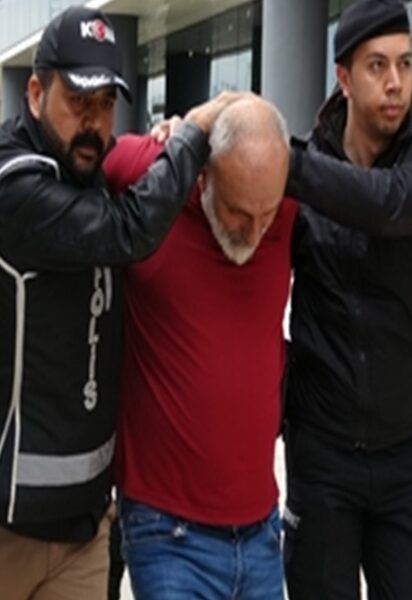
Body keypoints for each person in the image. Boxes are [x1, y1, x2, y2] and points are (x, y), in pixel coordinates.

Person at [0, 6, 237, 598]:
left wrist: (161, 142)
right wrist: (195, 135)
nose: (94, 122)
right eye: (77, 100)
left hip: (83, 528)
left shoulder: (83, 167)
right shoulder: (9, 183)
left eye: (105, 104)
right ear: (35, 93)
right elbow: (129, 228)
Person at [281, 0, 412, 598]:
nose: (395, 83)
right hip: (322, 460)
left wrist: (284, 162)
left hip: (403, 462)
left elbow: (386, 203)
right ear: (343, 77)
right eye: (377, 65)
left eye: (406, 64)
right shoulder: (307, 168)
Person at [102, 96, 295, 599]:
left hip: (261, 532)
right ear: (203, 177)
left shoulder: (284, 206)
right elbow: (101, 156)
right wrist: (193, 124)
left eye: (267, 214)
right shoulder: (153, 182)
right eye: (238, 213)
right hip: (167, 532)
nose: (255, 233)